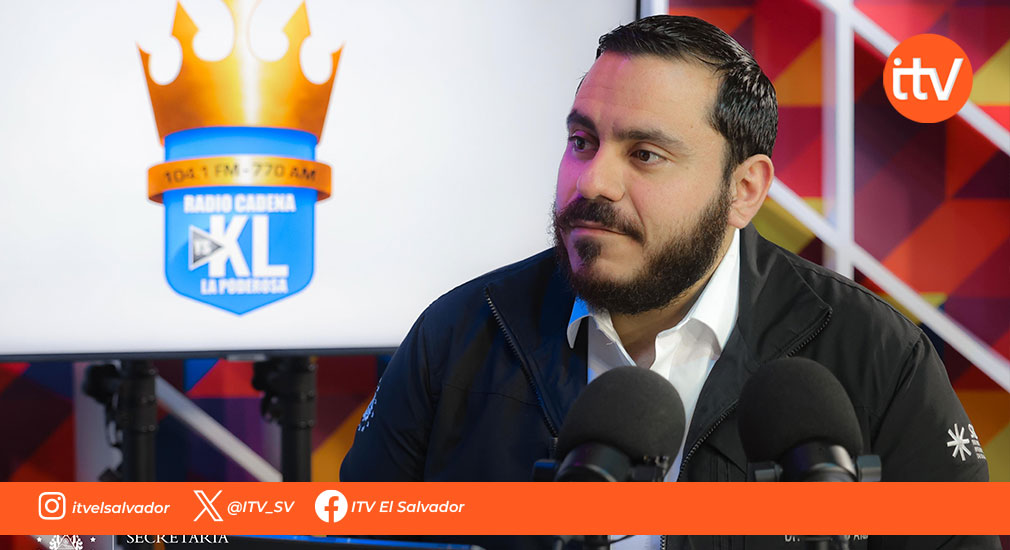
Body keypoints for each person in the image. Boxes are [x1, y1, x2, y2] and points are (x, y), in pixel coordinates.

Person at [341, 15, 995, 550]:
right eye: (582, 141)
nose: (592, 182)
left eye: (645, 154)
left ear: (744, 190)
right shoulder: (456, 336)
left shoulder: (876, 356)